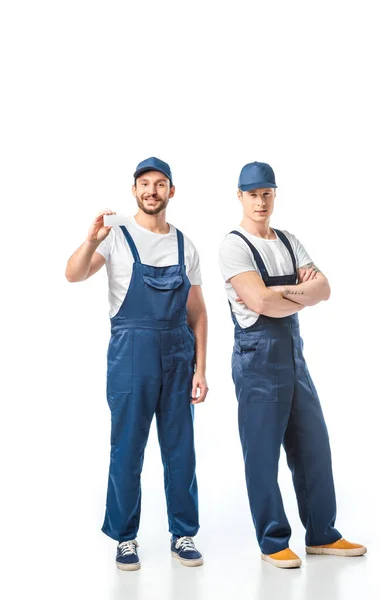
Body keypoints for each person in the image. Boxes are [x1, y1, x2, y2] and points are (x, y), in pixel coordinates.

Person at [218, 161, 366, 569]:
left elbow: (325, 289)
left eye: (266, 192)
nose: (260, 201)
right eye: (252, 194)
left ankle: (322, 534)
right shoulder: (233, 245)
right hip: (257, 361)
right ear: (239, 196)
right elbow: (260, 303)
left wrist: (281, 291)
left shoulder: (288, 240)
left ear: (274, 194)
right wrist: (296, 293)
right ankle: (272, 540)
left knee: (314, 447)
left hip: (293, 358)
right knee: (262, 456)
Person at [66, 157, 208, 570]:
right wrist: (92, 239)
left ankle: (183, 534)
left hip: (179, 356)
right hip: (131, 355)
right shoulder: (115, 235)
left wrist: (200, 368)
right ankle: (125, 538)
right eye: (144, 183)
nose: (151, 191)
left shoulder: (186, 245)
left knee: (181, 450)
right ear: (134, 190)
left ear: (171, 191)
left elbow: (198, 313)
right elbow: (73, 275)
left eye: (160, 184)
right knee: (127, 448)